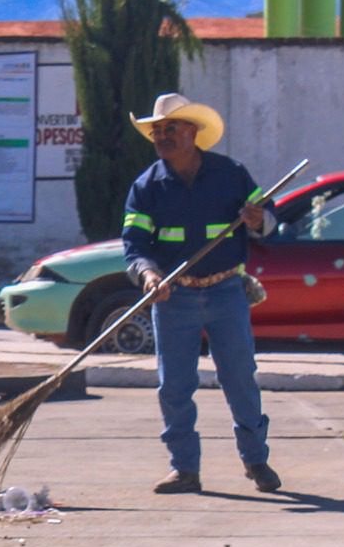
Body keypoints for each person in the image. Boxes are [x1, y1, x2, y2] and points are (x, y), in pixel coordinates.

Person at [120, 93, 281, 495]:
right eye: (157, 130)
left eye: (170, 128)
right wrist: (149, 275)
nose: (162, 136)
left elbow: (271, 222)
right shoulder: (146, 188)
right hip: (174, 297)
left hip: (227, 291)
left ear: (193, 132)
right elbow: (134, 246)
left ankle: (256, 460)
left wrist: (259, 218)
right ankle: (184, 469)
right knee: (174, 386)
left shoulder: (232, 174)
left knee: (240, 379)